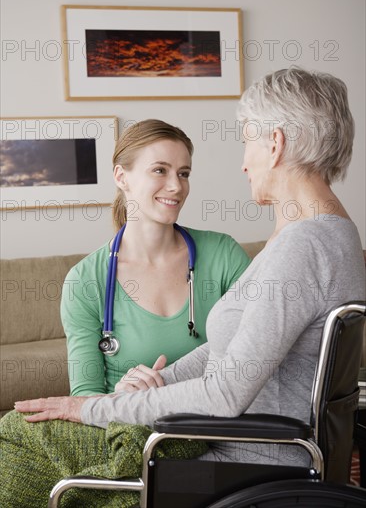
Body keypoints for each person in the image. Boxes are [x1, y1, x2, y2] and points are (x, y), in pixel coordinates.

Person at [1, 68, 365, 507]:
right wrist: (156, 385)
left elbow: (226, 392)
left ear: (276, 143)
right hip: (242, 448)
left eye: (247, 140)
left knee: (15, 437)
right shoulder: (333, 234)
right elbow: (226, 353)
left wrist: (88, 409)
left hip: (236, 457)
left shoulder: (303, 246)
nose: (244, 162)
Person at [61, 119, 251, 395]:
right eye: (160, 170)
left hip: (216, 422)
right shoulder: (85, 280)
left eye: (184, 173)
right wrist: (122, 394)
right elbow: (85, 396)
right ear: (121, 176)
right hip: (133, 427)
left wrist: (170, 383)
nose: (176, 186)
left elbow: (254, 352)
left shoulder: (224, 254)